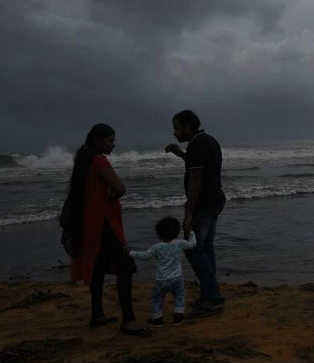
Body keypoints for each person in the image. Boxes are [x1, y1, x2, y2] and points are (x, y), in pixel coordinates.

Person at [68, 123, 150, 336]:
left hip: (88, 224)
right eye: (110, 140)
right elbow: (120, 186)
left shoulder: (82, 158)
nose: (114, 145)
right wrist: (116, 194)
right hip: (104, 224)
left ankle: (97, 314)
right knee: (126, 268)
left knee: (97, 268)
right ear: (98, 140)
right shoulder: (98, 159)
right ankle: (129, 321)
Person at [165, 110, 227, 317]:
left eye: (177, 127)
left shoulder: (197, 145)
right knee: (206, 249)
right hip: (215, 200)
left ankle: (214, 298)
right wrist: (181, 154)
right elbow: (201, 167)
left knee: (193, 250)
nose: (174, 132)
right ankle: (208, 296)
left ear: (188, 126)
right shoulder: (208, 141)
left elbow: (196, 179)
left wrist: (188, 212)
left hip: (203, 204)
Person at [128, 217, 197, 327]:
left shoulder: (157, 247)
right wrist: (191, 232)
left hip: (161, 279)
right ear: (176, 232)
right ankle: (178, 317)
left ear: (159, 233)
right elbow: (192, 244)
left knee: (157, 299)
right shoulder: (180, 243)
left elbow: (145, 255)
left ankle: (157, 319)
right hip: (177, 278)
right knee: (179, 296)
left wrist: (131, 252)